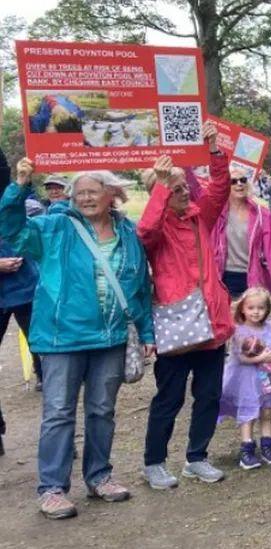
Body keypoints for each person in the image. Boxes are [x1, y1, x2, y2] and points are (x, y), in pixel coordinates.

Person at [1, 160, 155, 519]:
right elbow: (10, 228)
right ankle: (52, 488)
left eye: (93, 192)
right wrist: (20, 185)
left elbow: (138, 289)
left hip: (112, 338)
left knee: (102, 410)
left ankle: (99, 476)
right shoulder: (55, 227)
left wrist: (146, 333)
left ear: (112, 194)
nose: (85, 198)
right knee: (58, 412)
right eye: (79, 192)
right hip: (62, 338)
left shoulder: (128, 233)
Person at [139, 121, 236, 490]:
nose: (181, 192)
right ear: (158, 194)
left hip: (210, 323)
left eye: (182, 186)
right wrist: (161, 188)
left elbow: (221, 188)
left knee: (209, 394)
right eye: (172, 188)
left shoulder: (200, 217)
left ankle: (197, 456)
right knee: (170, 396)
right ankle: (154, 462)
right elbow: (145, 232)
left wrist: (213, 150)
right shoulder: (156, 227)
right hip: (176, 323)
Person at [218, 287, 271, 470]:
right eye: (251, 308)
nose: (256, 312)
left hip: (267, 379)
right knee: (249, 413)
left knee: (266, 411)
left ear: (267, 309)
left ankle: (268, 446)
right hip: (246, 380)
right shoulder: (239, 330)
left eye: (260, 308)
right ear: (242, 308)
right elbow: (239, 357)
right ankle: (247, 449)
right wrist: (260, 358)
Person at [211, 166, 271, 299]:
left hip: (252, 279)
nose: (239, 184)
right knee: (226, 319)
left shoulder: (262, 214)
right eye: (233, 181)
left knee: (251, 318)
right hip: (222, 277)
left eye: (243, 180)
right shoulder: (216, 214)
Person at [0, 148, 42, 394]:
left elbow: (16, 223)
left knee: (36, 335)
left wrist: (22, 180)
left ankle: (44, 375)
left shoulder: (10, 200)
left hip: (24, 284)